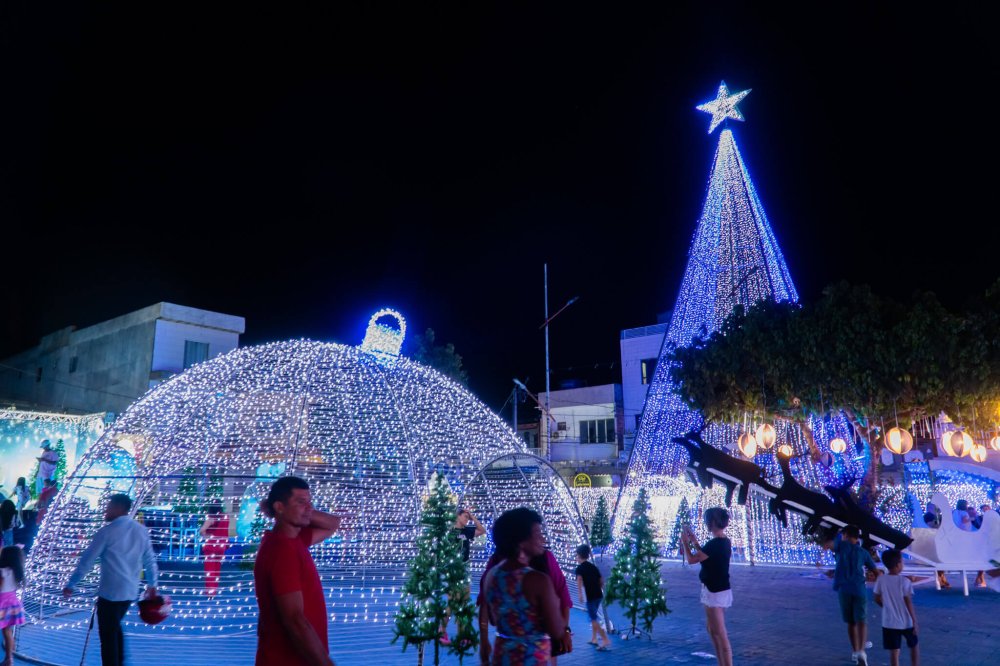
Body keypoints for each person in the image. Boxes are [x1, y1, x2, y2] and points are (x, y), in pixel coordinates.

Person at [254, 476, 341, 666]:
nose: (309, 507)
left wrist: (302, 510)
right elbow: (294, 620)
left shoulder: (295, 540)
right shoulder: (282, 550)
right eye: (301, 502)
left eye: (310, 502)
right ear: (280, 506)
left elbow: (333, 523)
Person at [63, 494, 158, 666]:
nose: (106, 510)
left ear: (118, 508)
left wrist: (71, 583)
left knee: (107, 638)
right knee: (114, 628)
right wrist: (152, 584)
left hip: (110, 593)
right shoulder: (141, 530)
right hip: (129, 592)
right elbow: (149, 560)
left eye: (109, 506)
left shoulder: (106, 532)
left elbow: (88, 560)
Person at [483, 507, 567, 665]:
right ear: (520, 542)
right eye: (537, 534)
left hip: (502, 657)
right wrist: (555, 604)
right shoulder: (538, 580)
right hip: (530, 659)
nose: (543, 539)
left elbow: (494, 620)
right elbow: (556, 630)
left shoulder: (491, 576)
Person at [682, 507, 733, 666]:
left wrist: (685, 543)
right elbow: (705, 555)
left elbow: (692, 559)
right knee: (713, 631)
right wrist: (694, 541)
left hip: (714, 591)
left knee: (720, 634)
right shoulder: (724, 541)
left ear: (711, 523)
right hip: (718, 589)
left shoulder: (714, 544)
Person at [824, 524, 880, 666]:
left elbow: (829, 545)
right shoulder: (863, 552)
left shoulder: (842, 546)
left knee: (851, 622)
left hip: (844, 590)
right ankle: (861, 650)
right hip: (859, 589)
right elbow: (875, 571)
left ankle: (855, 651)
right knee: (862, 620)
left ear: (847, 535)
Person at [440, 508, 487, 645]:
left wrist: (473, 517)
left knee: (464, 603)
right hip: (454, 569)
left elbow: (482, 530)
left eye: (468, 517)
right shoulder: (449, 532)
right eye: (465, 516)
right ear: (458, 516)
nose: (467, 519)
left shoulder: (467, 530)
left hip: (465, 568)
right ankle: (441, 630)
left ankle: (462, 634)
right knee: (452, 601)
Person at [873, 549, 919, 666]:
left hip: (888, 622)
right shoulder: (904, 581)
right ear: (898, 564)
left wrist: (886, 607)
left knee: (894, 651)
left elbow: (877, 598)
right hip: (906, 622)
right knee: (913, 646)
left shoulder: (881, 579)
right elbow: (908, 601)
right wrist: (914, 620)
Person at [574, 544, 611, 650]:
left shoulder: (579, 569)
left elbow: (579, 581)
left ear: (579, 555)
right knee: (593, 615)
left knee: (593, 619)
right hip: (598, 595)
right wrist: (598, 589)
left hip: (590, 596)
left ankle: (605, 639)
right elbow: (601, 581)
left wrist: (580, 595)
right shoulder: (593, 567)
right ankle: (594, 639)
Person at [0, 545, 26, 666]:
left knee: (6, 631)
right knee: (7, 631)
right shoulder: (17, 573)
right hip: (12, 603)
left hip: (2, 604)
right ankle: (9, 657)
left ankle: (9, 658)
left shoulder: (2, 572)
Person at [200, 502, 230, 597]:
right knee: (217, 569)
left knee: (210, 570)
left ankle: (210, 592)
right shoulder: (226, 517)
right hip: (221, 546)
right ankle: (214, 590)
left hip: (211, 546)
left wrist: (207, 535)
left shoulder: (211, 518)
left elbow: (202, 531)